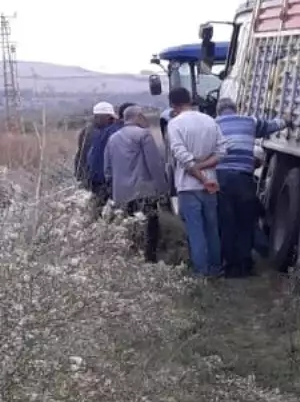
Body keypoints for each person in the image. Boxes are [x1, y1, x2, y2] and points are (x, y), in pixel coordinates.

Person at [213, 97, 286, 278]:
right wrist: (285, 120)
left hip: (221, 179)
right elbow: (271, 126)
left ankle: (229, 266)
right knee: (246, 222)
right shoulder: (249, 122)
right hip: (244, 179)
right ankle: (245, 265)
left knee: (226, 222)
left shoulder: (212, 124)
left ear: (218, 111)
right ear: (235, 108)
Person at [165, 87, 227, 277]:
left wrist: (199, 173)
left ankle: (201, 272)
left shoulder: (174, 124)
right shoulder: (210, 120)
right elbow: (222, 151)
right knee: (212, 229)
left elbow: (182, 157)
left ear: (173, 105)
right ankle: (216, 268)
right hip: (211, 185)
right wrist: (206, 173)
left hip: (188, 186)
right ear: (190, 100)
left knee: (195, 231)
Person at [104, 104, 172, 262]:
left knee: (129, 226)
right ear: (138, 116)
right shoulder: (143, 135)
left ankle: (131, 258)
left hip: (121, 193)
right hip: (144, 190)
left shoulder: (113, 138)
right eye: (143, 115)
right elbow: (154, 164)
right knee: (150, 226)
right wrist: (163, 188)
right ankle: (150, 258)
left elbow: (107, 168)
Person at [83, 102, 120, 208]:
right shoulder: (100, 131)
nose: (95, 120)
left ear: (108, 117)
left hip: (105, 182)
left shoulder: (113, 133)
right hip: (98, 181)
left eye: (97, 117)